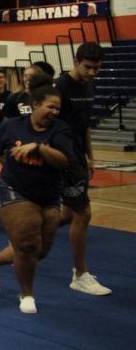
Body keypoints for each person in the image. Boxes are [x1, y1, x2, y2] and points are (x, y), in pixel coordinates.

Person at [0, 82, 73, 314]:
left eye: (58, 108)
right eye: (50, 107)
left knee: (40, 250)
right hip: (14, 188)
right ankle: (27, 294)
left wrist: (39, 148)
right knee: (27, 245)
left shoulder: (60, 129)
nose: (54, 112)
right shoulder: (12, 125)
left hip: (49, 194)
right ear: (35, 105)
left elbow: (64, 160)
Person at [56, 42, 112, 295]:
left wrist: (90, 156)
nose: (92, 73)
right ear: (76, 61)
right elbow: (51, 125)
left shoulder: (90, 84)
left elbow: (85, 124)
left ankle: (25, 236)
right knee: (83, 214)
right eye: (88, 67)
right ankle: (79, 275)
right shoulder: (61, 86)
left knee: (68, 215)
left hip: (79, 155)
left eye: (97, 68)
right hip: (63, 157)